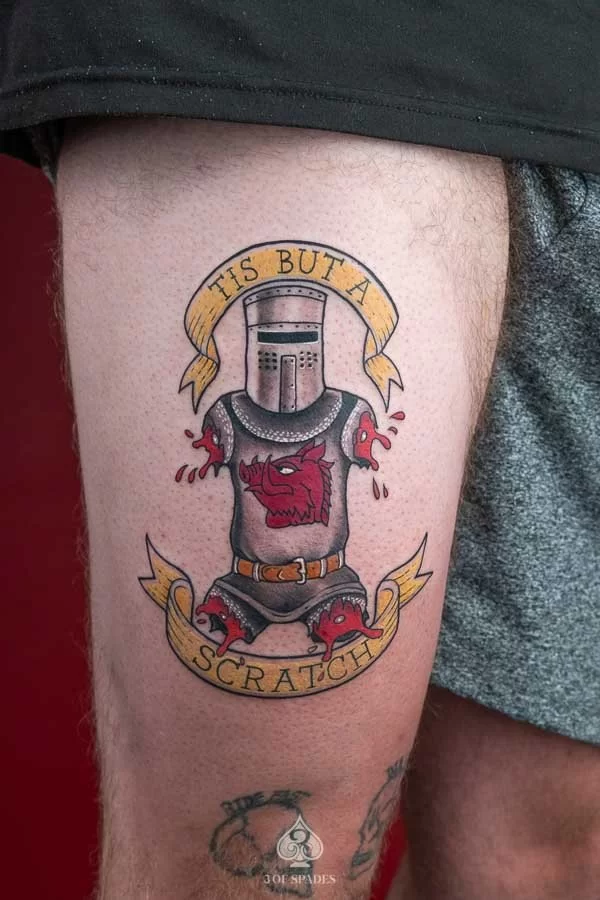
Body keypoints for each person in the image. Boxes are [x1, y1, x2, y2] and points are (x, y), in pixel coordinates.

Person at [1, 3, 598, 899]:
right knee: (274, 854)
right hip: (294, 50)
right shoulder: (233, 410)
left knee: (546, 852)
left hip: (577, 74)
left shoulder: (347, 408)